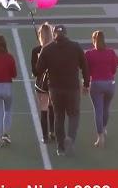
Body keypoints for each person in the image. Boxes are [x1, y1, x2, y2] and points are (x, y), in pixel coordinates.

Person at [35, 25, 89, 156]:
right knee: (74, 115)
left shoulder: (47, 49)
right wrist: (86, 84)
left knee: (59, 116)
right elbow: (85, 66)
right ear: (66, 34)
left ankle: (60, 147)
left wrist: (42, 58)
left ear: (54, 35)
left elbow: (38, 71)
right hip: (72, 88)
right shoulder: (75, 47)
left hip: (55, 89)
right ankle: (70, 138)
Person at [84, 30, 118, 148]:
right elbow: (117, 64)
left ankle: (100, 136)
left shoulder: (89, 54)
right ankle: (104, 128)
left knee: (98, 110)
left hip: (96, 83)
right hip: (110, 84)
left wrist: (86, 83)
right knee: (106, 108)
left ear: (93, 41)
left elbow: (86, 70)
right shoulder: (110, 52)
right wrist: (114, 69)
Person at [31, 23, 55, 143]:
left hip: (41, 84)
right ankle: (53, 131)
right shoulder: (56, 49)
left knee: (43, 109)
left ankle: (45, 136)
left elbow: (35, 72)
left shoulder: (36, 50)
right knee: (53, 107)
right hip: (55, 83)